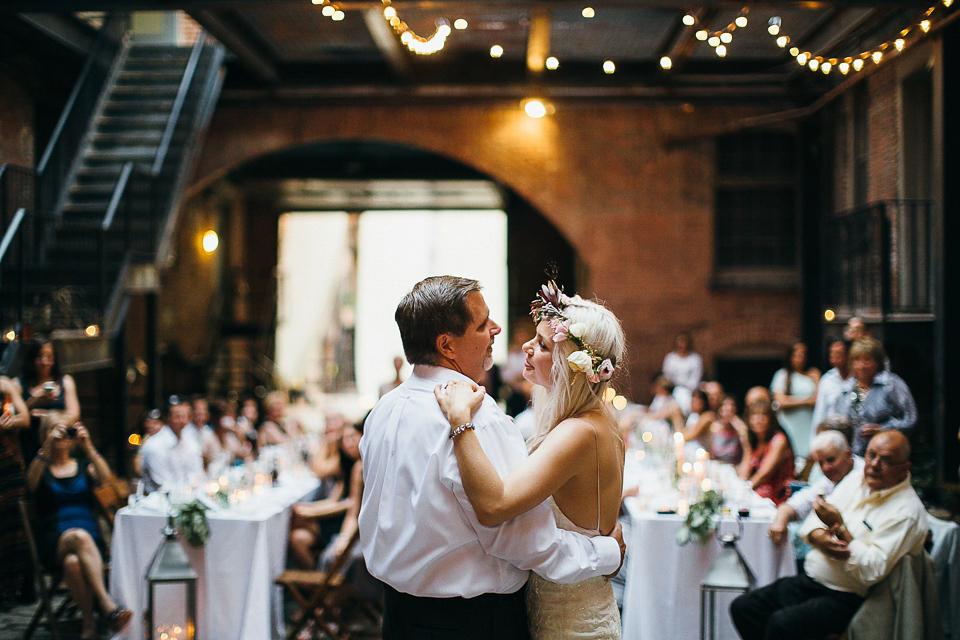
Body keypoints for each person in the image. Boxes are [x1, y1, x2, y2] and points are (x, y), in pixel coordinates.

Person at [358, 276, 624, 640]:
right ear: (446, 344)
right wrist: (606, 554)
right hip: (470, 622)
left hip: (398, 617)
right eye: (483, 325)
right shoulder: (479, 419)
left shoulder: (383, 411)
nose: (497, 329)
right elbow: (520, 539)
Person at [436, 279, 626, 639]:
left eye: (541, 343)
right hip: (572, 602)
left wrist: (461, 423)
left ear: (570, 364)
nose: (525, 346)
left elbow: (494, 506)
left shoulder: (577, 433)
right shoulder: (598, 418)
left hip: (568, 621)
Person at [731, 430, 928, 640]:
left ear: (904, 468)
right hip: (813, 581)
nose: (873, 465)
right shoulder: (857, 480)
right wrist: (818, 537)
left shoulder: (907, 511)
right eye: (871, 455)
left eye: (886, 460)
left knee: (781, 625)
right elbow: (812, 523)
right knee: (744, 608)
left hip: (849, 595)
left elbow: (872, 570)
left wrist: (840, 530)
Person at [26, 416, 131, 638]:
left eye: (65, 431)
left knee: (73, 563)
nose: (61, 436)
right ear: (45, 435)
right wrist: (46, 445)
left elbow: (109, 482)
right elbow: (30, 484)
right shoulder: (41, 468)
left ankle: (88, 625)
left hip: (91, 542)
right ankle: (107, 606)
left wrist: (88, 446)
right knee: (78, 537)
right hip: (55, 539)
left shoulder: (84, 466)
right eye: (54, 431)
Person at [767, 430, 863, 570]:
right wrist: (781, 518)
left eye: (831, 460)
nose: (825, 468)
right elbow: (800, 501)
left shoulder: (865, 475)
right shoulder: (831, 479)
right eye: (821, 463)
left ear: (848, 454)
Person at [289, 421, 363, 569]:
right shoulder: (348, 465)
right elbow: (333, 499)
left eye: (352, 438)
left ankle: (322, 585)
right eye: (344, 440)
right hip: (346, 519)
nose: (348, 444)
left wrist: (311, 512)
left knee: (299, 521)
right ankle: (315, 585)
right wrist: (307, 508)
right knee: (297, 537)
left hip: (350, 524)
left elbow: (350, 505)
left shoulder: (360, 467)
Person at [832, 337, 916, 457]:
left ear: (878, 362)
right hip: (852, 456)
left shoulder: (891, 384)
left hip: (884, 453)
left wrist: (884, 429)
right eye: (857, 360)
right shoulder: (846, 388)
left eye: (867, 360)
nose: (862, 365)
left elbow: (910, 418)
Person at [15, 338, 80, 462]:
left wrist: (42, 415)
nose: (44, 362)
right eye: (39, 356)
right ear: (31, 358)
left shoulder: (65, 382)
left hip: (59, 444)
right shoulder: (18, 384)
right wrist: (34, 401)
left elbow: (74, 415)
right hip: (30, 443)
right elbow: (15, 416)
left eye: (49, 357)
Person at [0, 375, 31, 605]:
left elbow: (25, 418)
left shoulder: (4, 384)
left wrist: (10, 421)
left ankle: (12, 589)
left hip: (8, 463)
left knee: (13, 526)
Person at [138, 398, 203, 494]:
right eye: (178, 416)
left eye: (186, 415)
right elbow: (163, 486)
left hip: (187, 496)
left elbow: (197, 473)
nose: (183, 420)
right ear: (166, 417)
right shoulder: (155, 445)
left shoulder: (189, 440)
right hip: (159, 502)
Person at [738, 400, 794, 505]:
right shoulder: (756, 443)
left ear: (771, 419)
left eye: (763, 415)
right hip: (757, 498)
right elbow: (743, 475)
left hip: (776, 500)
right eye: (754, 415)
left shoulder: (779, 440)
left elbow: (764, 474)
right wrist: (747, 448)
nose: (758, 420)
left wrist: (742, 491)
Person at [770, 342, 820, 460]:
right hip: (789, 426)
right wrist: (806, 402)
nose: (800, 358)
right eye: (797, 355)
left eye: (803, 355)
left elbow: (817, 399)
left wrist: (816, 379)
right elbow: (781, 402)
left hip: (808, 425)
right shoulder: (782, 375)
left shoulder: (812, 374)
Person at [811, 339, 851, 431]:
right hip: (831, 432)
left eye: (838, 354)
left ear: (848, 356)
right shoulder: (827, 379)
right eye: (831, 353)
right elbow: (820, 411)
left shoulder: (858, 379)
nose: (833, 357)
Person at [709, 395, 747, 465]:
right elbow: (711, 454)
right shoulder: (713, 428)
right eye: (725, 406)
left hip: (734, 467)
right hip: (716, 466)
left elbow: (747, 451)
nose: (729, 409)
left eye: (732, 406)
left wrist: (741, 431)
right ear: (720, 410)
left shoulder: (740, 428)